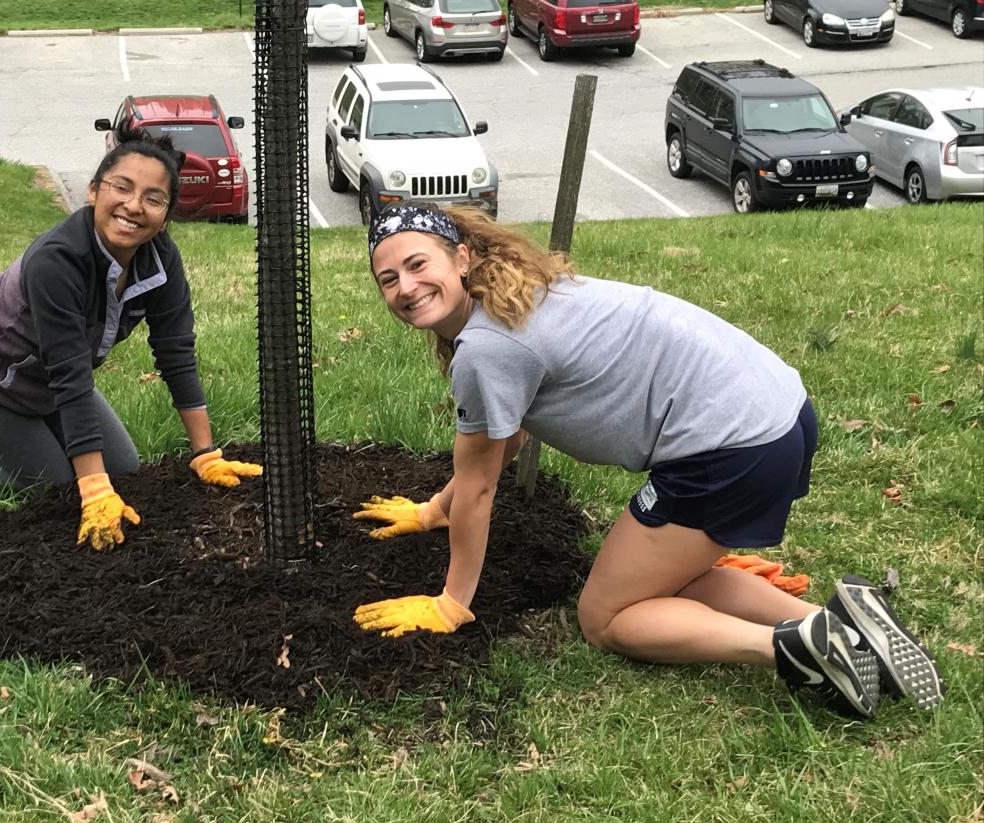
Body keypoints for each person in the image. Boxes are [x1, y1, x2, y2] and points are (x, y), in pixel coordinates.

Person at [351, 205, 944, 719]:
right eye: (387, 279)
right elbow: (503, 443)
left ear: (461, 258)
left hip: (730, 447)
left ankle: (795, 649)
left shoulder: (487, 346)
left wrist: (452, 603)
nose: (404, 286)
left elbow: (480, 487)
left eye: (417, 264)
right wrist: (433, 511)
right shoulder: (516, 293)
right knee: (670, 581)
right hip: (778, 411)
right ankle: (841, 627)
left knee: (606, 618)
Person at [0, 127, 261, 550]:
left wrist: (205, 452)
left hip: (41, 377)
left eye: (153, 198)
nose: (133, 206)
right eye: (121, 187)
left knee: (121, 467)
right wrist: (94, 490)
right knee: (54, 483)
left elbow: (176, 351)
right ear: (92, 191)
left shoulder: (159, 260)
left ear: (166, 215)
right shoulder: (59, 261)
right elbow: (71, 377)